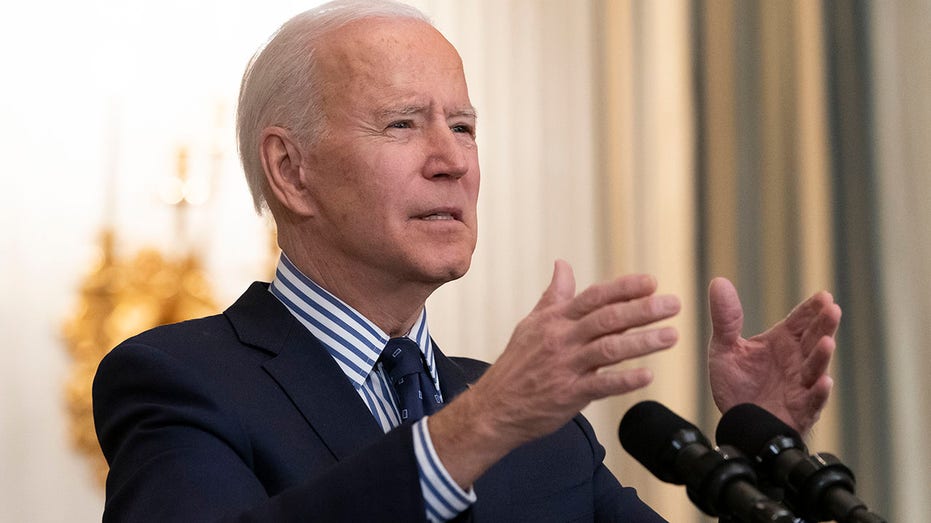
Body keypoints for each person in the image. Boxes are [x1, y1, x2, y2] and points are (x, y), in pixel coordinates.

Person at [92, 1, 842, 521]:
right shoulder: (181, 381)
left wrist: (764, 440)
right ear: (291, 171)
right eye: (401, 124)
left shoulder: (542, 426)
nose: (452, 160)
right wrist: (477, 427)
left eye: (463, 125)